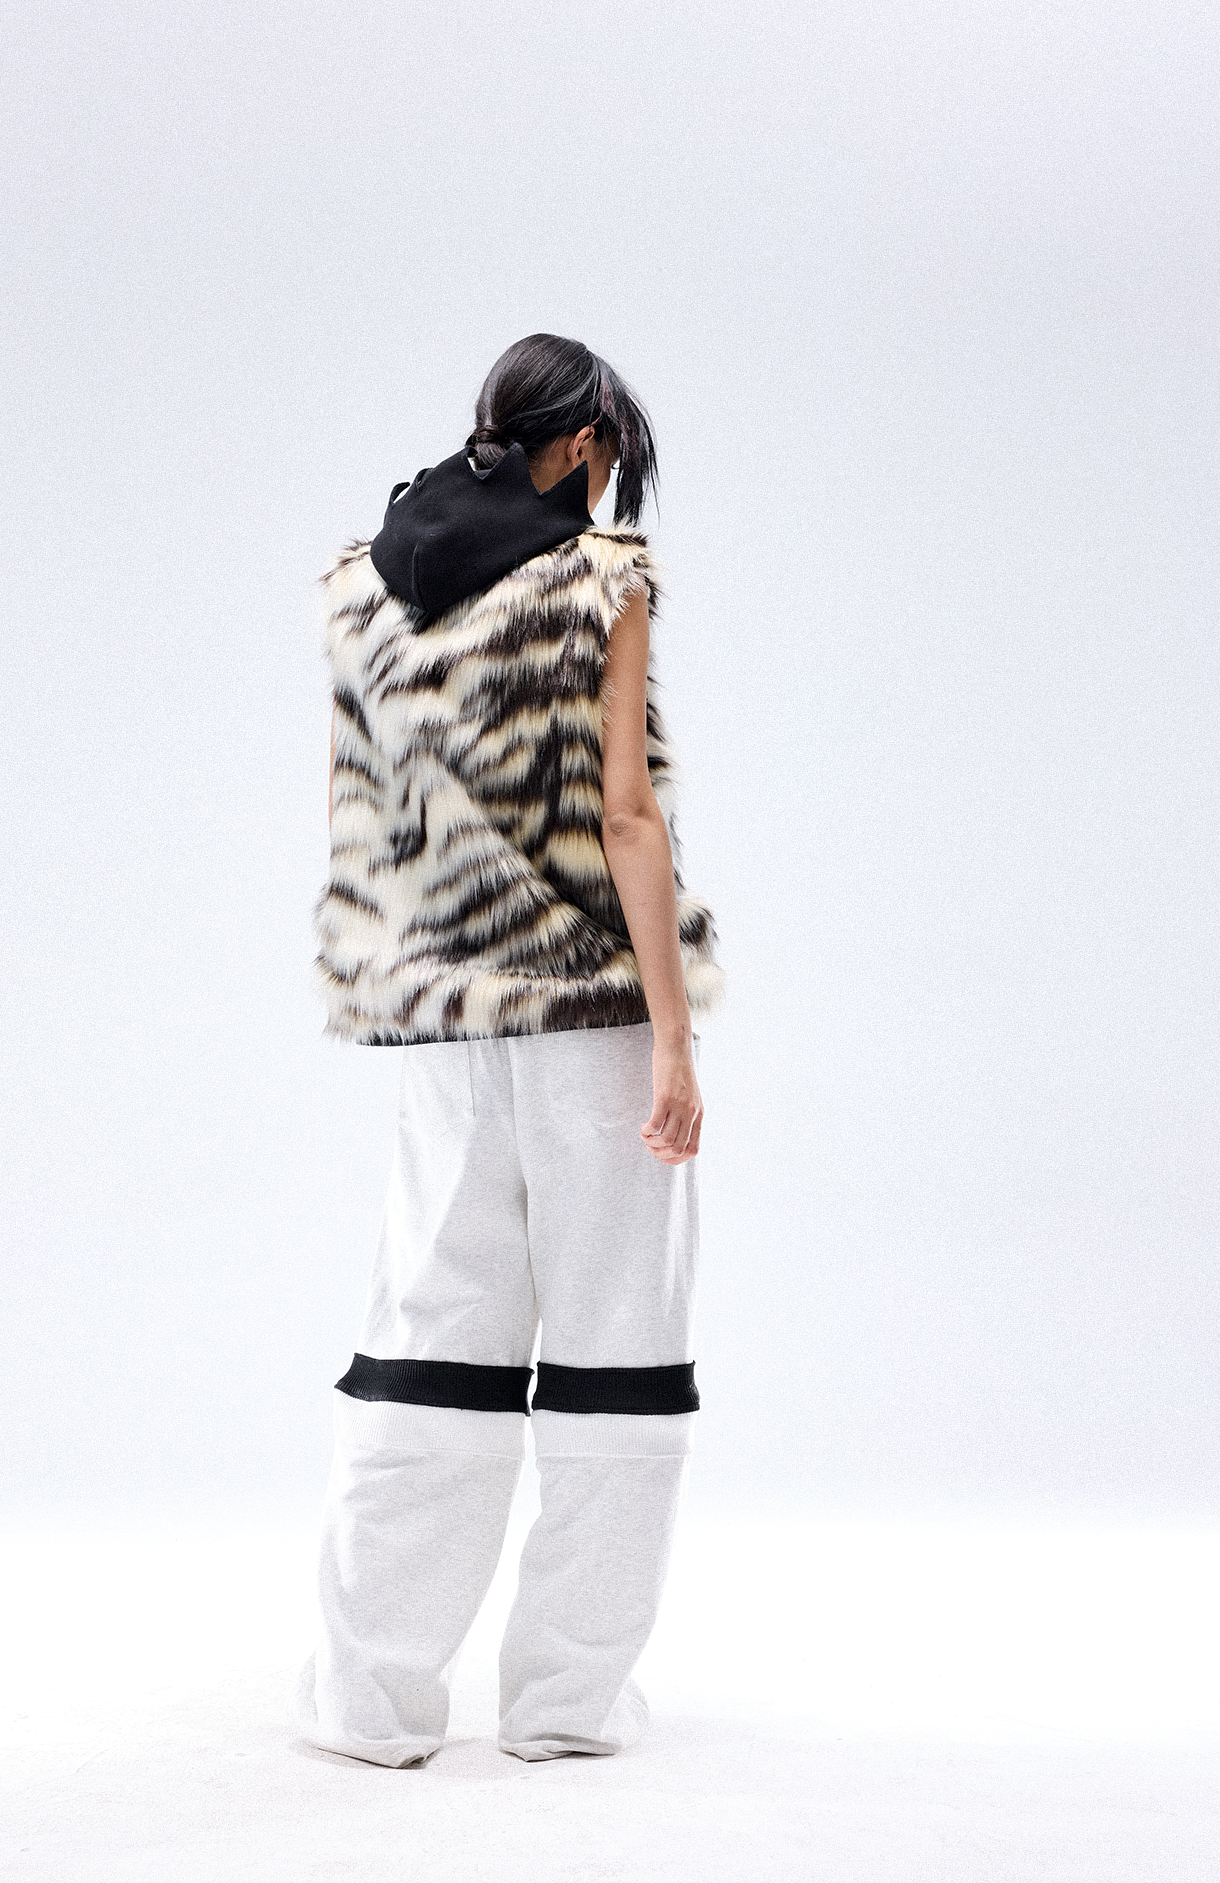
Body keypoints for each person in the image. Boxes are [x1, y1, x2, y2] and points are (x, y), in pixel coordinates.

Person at [295, 333, 724, 1766]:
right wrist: (674, 1039)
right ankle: (565, 1708)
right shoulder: (600, 578)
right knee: (617, 1355)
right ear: (587, 440)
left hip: (444, 1028)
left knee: (428, 1345)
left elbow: (366, 810)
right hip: (590, 1015)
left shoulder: (362, 584)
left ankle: (370, 1700)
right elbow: (626, 818)